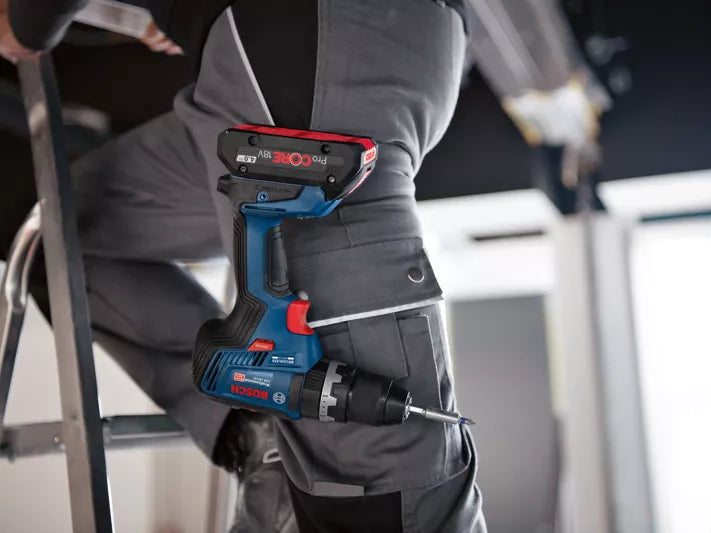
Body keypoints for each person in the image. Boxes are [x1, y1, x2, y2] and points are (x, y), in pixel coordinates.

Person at [0, 0, 485, 531]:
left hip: (314, 65)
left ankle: (289, 424)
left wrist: (25, 25)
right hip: (307, 67)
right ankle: (262, 430)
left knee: (384, 499)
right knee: (61, 237)